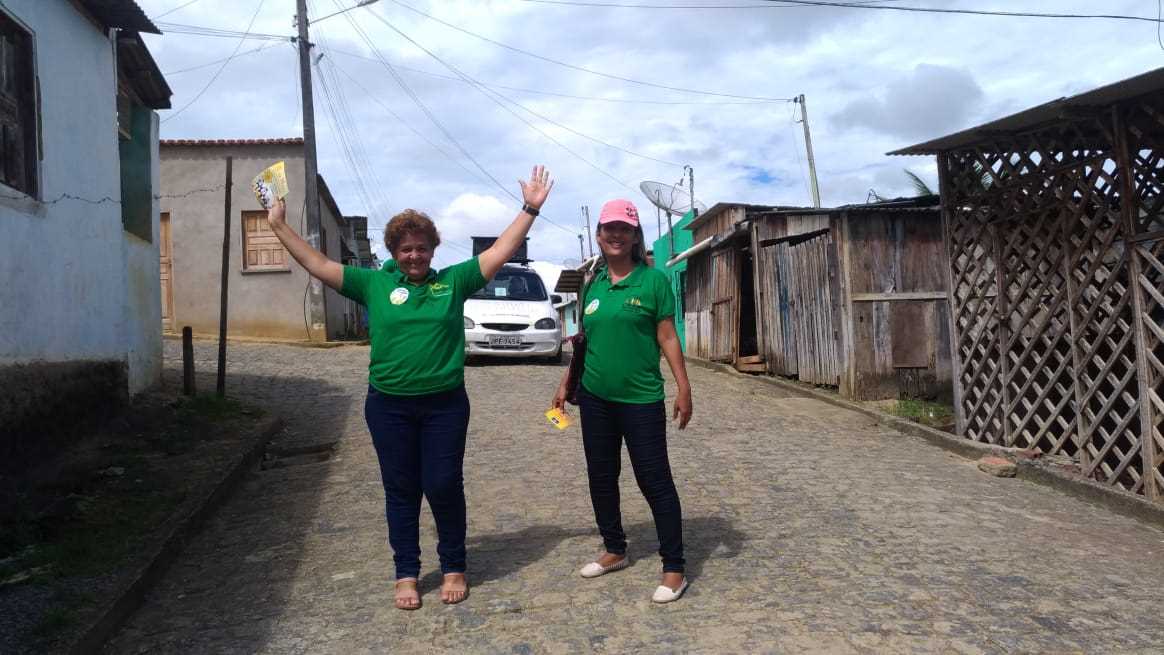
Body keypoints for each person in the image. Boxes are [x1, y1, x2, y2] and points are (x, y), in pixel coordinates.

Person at [266, 166, 554, 610]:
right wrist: (279, 226)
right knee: (400, 489)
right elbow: (317, 263)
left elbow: (501, 249)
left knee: (442, 484)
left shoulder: (452, 282)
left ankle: (454, 564)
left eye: (421, 248)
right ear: (394, 252)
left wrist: (530, 208)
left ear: (433, 249)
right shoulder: (374, 283)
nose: (414, 256)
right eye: (406, 249)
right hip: (389, 406)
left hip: (445, 405)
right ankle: (406, 572)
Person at [552, 198, 693, 604]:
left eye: (624, 229)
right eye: (608, 228)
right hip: (596, 398)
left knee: (655, 481)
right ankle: (614, 548)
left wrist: (683, 387)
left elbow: (667, 336)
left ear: (635, 236)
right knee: (601, 475)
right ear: (599, 235)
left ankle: (674, 568)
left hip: (640, 399)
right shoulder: (593, 284)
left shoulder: (652, 281)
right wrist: (566, 383)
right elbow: (584, 342)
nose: (616, 235)